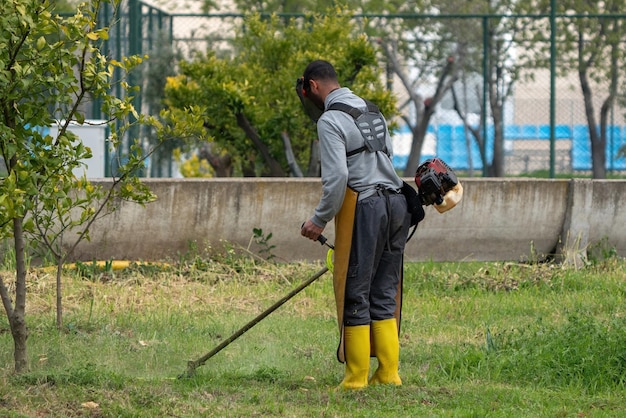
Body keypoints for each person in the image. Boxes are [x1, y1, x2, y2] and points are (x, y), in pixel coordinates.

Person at [298, 60, 410, 390]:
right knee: (385, 290)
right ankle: (389, 373)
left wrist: (317, 221)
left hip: (368, 206)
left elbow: (337, 179)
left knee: (355, 291)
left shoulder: (331, 120)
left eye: (307, 91)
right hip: (397, 203)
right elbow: (386, 157)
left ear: (313, 86)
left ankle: (356, 377)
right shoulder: (371, 110)